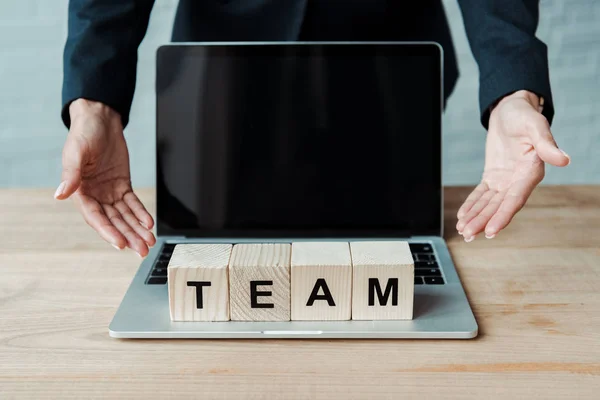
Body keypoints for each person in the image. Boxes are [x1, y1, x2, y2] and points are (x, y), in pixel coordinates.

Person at [56, 0, 570, 257]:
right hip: (220, 78)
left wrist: (514, 90)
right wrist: (94, 101)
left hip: (391, 71)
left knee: (398, 263)